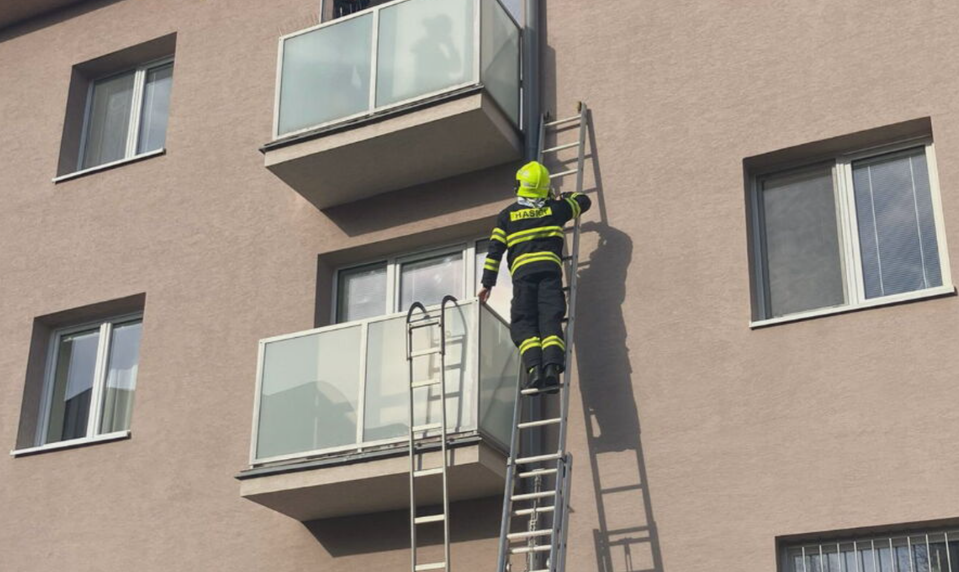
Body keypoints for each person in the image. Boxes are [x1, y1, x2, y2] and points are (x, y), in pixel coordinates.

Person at [477, 161, 591, 392]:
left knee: (524, 322)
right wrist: (562, 197)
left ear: (521, 186)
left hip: (523, 278)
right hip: (550, 273)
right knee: (550, 318)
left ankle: (534, 370)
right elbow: (583, 201)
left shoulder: (507, 216)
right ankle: (552, 366)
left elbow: (495, 252)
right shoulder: (555, 210)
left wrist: (487, 284)